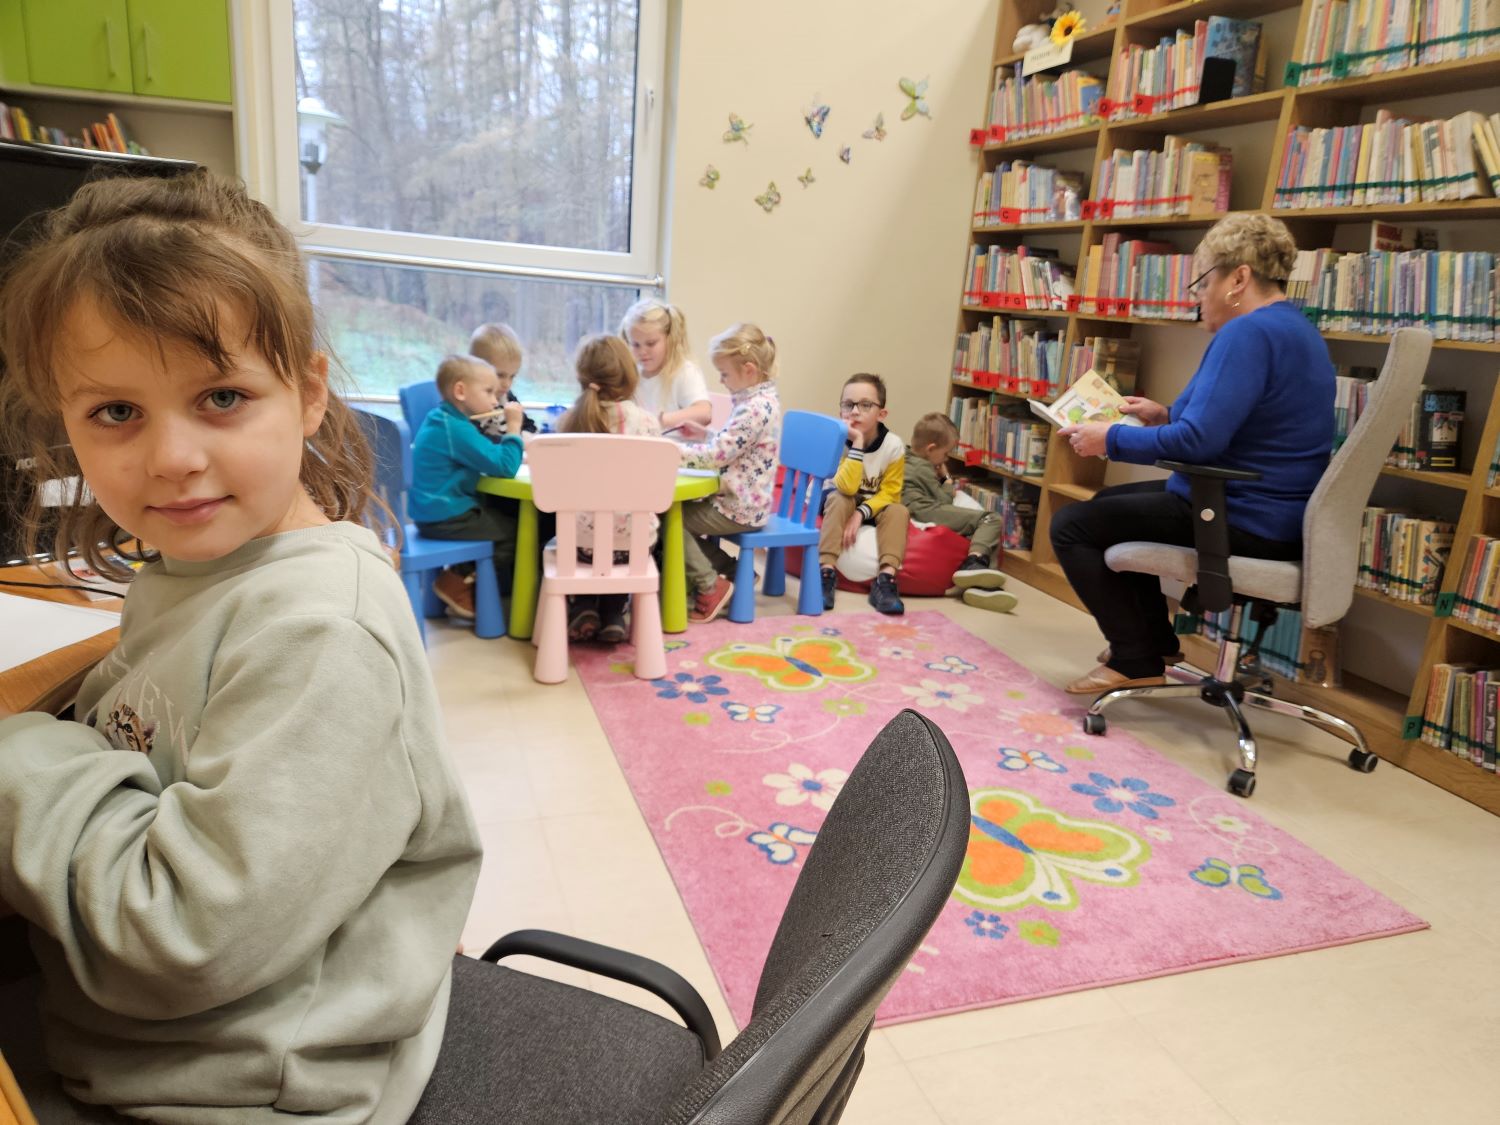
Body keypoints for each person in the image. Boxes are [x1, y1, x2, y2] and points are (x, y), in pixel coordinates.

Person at [0, 169, 481, 1122]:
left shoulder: (323, 633)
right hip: (139, 1034)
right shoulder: (202, 564)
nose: (171, 456)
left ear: (306, 392)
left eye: (220, 397)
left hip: (243, 1091)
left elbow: (190, 935)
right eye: (115, 412)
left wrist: (20, 752)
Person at [1051, 212, 1333, 694]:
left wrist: (1109, 440)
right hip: (1272, 512)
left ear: (1238, 278)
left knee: (1071, 526)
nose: (1197, 296)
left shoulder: (1247, 333)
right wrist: (1163, 415)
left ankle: (1136, 658)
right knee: (1104, 509)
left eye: (1203, 282)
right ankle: (1154, 644)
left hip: (1244, 516)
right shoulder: (1295, 330)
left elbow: (1197, 443)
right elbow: (1239, 425)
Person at [554, 334, 663, 644]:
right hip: (634, 545)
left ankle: (584, 604)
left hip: (580, 547)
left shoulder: (568, 423)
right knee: (629, 530)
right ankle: (614, 613)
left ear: (582, 377)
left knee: (557, 525)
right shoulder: (647, 424)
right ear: (630, 376)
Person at [673, 323, 783, 623]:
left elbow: (717, 456)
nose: (721, 380)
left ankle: (712, 586)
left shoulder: (754, 408)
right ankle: (738, 574)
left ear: (748, 370)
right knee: (675, 516)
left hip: (739, 507)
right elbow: (732, 447)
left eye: (724, 374)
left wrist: (671, 453)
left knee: (669, 520)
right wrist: (705, 434)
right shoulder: (758, 402)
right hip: (744, 501)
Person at [409, 353, 525, 617]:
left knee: (502, 517)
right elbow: (505, 466)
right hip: (446, 516)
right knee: (513, 532)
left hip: (431, 514)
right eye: (488, 391)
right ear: (460, 391)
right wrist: (514, 428)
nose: (496, 400)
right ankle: (459, 585)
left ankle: (461, 582)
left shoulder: (442, 419)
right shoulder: (455, 429)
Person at [902, 412, 1017, 613]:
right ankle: (975, 566)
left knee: (973, 532)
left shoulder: (905, 457)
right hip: (925, 511)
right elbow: (944, 500)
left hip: (914, 510)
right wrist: (946, 481)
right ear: (931, 449)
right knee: (990, 519)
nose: (946, 458)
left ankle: (979, 582)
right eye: (946, 454)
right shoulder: (923, 468)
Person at [820, 374, 910, 616]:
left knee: (899, 510)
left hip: (871, 504)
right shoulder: (837, 439)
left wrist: (862, 513)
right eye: (848, 405)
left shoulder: (893, 446)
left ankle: (885, 580)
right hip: (836, 497)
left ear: (882, 414)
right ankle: (826, 572)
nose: (855, 411)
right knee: (841, 499)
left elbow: (891, 493)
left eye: (865, 405)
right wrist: (857, 443)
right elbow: (847, 487)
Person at [620, 297, 712, 437]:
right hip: (642, 451)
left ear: (670, 339)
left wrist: (659, 421)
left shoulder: (683, 371)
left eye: (651, 343)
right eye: (635, 345)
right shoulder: (632, 374)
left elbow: (704, 413)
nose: (642, 352)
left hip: (677, 453)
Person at [468, 321, 536, 434]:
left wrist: (524, 435)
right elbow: (478, 444)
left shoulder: (507, 397)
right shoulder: (468, 406)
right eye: (500, 375)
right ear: (474, 369)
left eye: (512, 376)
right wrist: (514, 434)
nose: (507, 384)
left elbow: (530, 426)